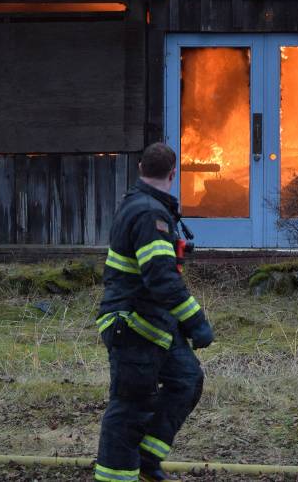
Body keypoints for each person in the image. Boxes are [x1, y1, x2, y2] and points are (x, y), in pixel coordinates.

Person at [94, 142, 215, 482]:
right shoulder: (149, 214)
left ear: (139, 170)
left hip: (154, 323)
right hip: (132, 324)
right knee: (130, 408)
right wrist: (196, 322)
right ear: (173, 175)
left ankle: (147, 458)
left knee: (187, 380)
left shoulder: (146, 207)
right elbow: (161, 278)